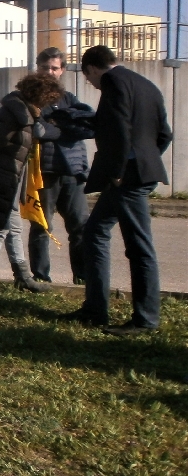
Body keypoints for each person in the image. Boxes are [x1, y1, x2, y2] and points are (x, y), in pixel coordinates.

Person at [63, 46, 172, 335]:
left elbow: (120, 126)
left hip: (127, 177)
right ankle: (95, 308)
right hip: (141, 171)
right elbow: (165, 134)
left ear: (91, 69)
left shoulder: (113, 81)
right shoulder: (146, 84)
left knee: (139, 247)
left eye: (88, 79)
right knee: (95, 231)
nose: (92, 84)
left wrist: (121, 171)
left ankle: (145, 319)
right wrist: (146, 161)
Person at [0, 73, 63, 297]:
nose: (46, 106)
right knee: (0, 228)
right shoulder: (15, 114)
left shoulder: (27, 113)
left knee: (13, 226)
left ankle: (23, 276)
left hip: (12, 178)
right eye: (46, 100)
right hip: (1, 178)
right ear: (39, 96)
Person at [28, 48, 94, 284]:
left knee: (80, 228)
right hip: (45, 171)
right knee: (42, 226)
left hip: (72, 171)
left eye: (54, 68)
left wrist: (55, 126)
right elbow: (37, 130)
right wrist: (63, 127)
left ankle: (83, 278)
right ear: (37, 68)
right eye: (45, 67)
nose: (49, 72)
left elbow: (87, 125)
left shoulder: (70, 99)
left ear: (62, 70)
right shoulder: (30, 98)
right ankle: (41, 277)